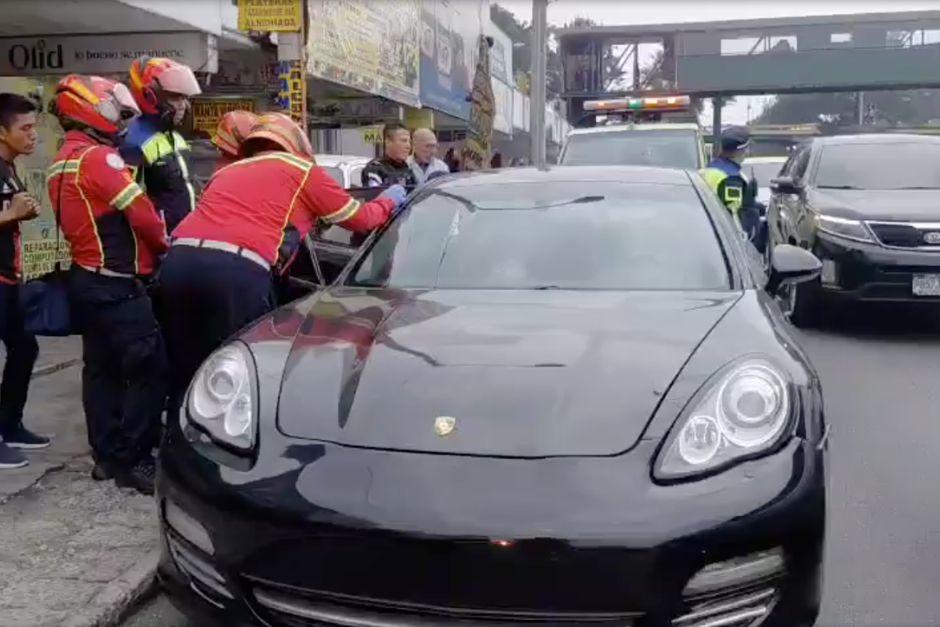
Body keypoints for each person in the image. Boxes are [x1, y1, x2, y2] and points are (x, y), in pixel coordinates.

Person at [159, 113, 406, 423]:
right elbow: (361, 219)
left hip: (177, 263)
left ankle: (176, 447)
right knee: (242, 370)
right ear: (295, 143)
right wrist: (388, 200)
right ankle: (229, 448)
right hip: (235, 270)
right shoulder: (301, 170)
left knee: (184, 364)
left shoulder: (228, 171)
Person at [48, 75, 168, 493]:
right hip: (116, 284)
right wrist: (164, 244)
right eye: (114, 109)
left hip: (85, 279)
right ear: (89, 109)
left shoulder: (62, 160)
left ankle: (107, 457)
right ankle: (136, 461)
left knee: (100, 371)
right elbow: (144, 216)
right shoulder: (101, 160)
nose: (119, 117)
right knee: (147, 367)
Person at [0, 94, 47, 469]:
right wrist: (9, 214)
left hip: (8, 278)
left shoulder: (8, 166)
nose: (33, 136)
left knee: (24, 348)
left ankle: (9, 425)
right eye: (25, 128)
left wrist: (20, 213)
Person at [122, 56, 202, 236]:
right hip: (159, 246)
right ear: (150, 96)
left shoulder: (176, 137)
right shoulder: (134, 143)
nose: (183, 105)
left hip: (185, 239)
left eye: (184, 97)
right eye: (175, 97)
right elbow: (129, 206)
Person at [700, 126, 762, 243]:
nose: (748, 152)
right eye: (747, 148)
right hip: (725, 242)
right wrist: (750, 205)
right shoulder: (731, 179)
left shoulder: (707, 170)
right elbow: (735, 217)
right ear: (740, 151)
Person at [361, 122, 417, 188]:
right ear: (388, 141)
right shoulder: (374, 169)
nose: (408, 146)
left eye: (409, 142)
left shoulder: (407, 169)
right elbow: (375, 196)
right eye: (404, 141)